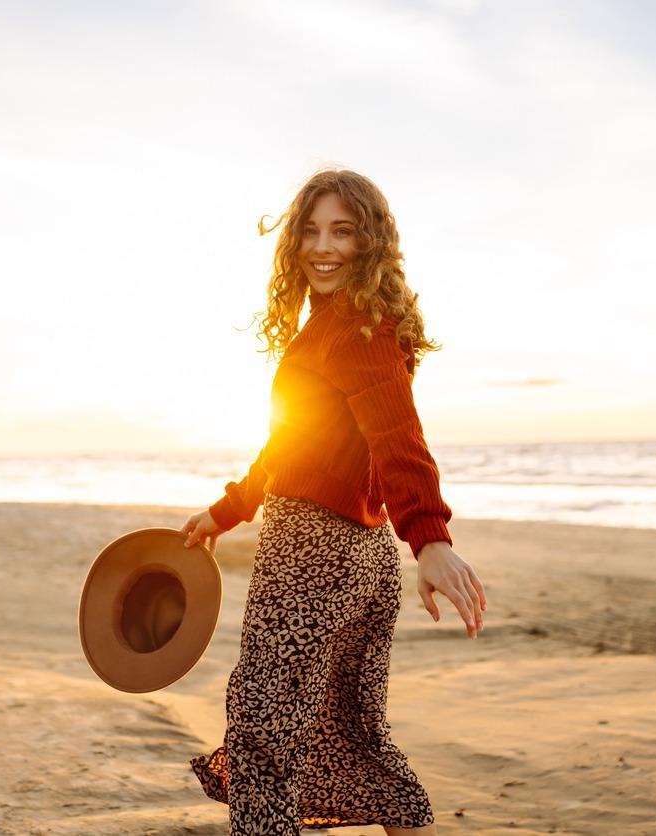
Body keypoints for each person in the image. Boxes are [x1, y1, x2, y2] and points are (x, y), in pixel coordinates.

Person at [181, 168, 486, 835]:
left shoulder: (352, 329)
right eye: (311, 231)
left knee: (264, 738)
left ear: (369, 242)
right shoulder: (335, 326)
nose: (323, 247)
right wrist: (226, 511)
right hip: (363, 560)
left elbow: (398, 436)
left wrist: (431, 539)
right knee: (354, 733)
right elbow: (293, 442)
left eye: (341, 232)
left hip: (311, 555)